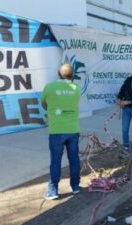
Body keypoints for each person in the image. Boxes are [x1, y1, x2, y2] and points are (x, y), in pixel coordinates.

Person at [41, 64, 81, 200]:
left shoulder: (49, 87)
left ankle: (53, 191)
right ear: (72, 75)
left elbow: (44, 104)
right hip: (73, 129)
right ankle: (75, 187)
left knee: (56, 161)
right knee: (74, 159)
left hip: (57, 130)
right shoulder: (77, 88)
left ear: (58, 73)